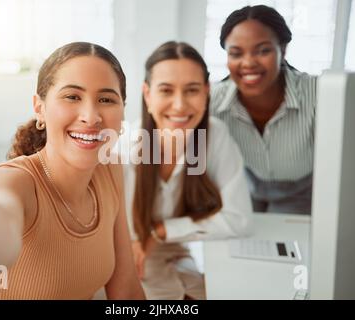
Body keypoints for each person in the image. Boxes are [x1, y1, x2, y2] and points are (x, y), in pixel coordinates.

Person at [0, 42, 145, 299]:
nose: (91, 116)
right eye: (72, 96)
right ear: (39, 108)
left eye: (106, 99)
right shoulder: (13, 181)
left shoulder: (110, 168)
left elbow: (127, 290)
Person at [122, 41, 253, 300]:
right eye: (166, 91)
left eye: (192, 90)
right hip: (126, 255)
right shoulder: (126, 147)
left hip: (175, 251)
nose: (180, 105)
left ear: (206, 92)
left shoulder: (213, 137)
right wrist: (143, 239)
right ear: (148, 95)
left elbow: (239, 219)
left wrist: (162, 230)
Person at [210, 5, 317, 215]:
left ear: (283, 50)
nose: (248, 63)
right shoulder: (214, 100)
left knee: (286, 242)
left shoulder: (317, 94)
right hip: (247, 185)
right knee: (244, 243)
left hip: (303, 190)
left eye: (263, 50)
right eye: (236, 53)